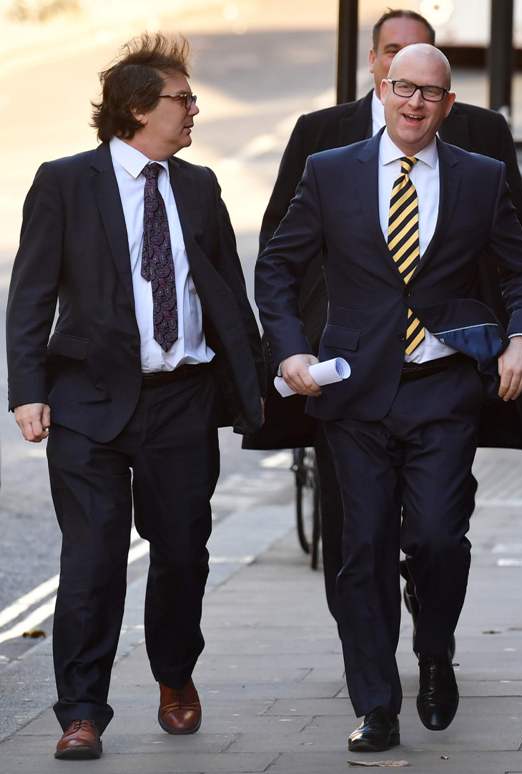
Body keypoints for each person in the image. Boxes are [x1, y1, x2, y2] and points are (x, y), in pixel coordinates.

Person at [254, 44, 522, 752]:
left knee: (440, 539)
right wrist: (291, 348)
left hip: (443, 388)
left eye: (431, 93)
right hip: (354, 394)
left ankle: (435, 648)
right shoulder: (331, 173)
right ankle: (377, 704)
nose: (415, 103)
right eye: (403, 88)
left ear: (449, 104)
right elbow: (278, 265)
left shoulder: (480, 176)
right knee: (364, 548)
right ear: (381, 90)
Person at [5, 33, 265, 760]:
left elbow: (224, 295)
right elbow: (29, 296)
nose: (194, 111)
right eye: (183, 99)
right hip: (88, 400)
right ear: (138, 108)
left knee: (183, 551)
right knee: (92, 558)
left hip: (180, 398)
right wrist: (27, 391)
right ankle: (81, 710)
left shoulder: (197, 185)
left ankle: (174, 674)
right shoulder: (64, 182)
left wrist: (258, 382)